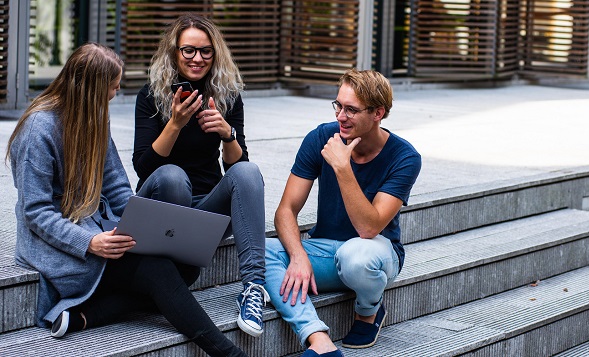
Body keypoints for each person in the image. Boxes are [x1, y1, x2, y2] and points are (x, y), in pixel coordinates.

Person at [6, 43, 247, 356]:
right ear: (92, 88)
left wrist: (141, 225)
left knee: (186, 268)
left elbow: (117, 187)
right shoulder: (38, 130)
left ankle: (89, 315)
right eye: (113, 86)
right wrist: (89, 243)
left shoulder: (94, 118)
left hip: (98, 229)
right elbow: (36, 213)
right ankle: (228, 353)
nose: (116, 93)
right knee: (158, 271)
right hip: (57, 245)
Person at [264, 69, 422, 357]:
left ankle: (368, 311)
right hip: (326, 249)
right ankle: (318, 339)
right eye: (338, 105)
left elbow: (369, 229)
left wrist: (342, 167)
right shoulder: (322, 136)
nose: (341, 116)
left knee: (356, 256)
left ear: (378, 113)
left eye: (351, 109)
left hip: (376, 254)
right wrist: (298, 257)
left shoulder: (405, 158)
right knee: (262, 249)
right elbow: (285, 210)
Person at [133, 14, 269, 337]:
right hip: (162, 204)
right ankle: (170, 274)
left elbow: (238, 169)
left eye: (206, 51)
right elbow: (143, 167)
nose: (197, 59)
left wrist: (227, 134)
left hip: (204, 212)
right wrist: (175, 123)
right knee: (173, 177)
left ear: (216, 53)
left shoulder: (227, 95)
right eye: (189, 51)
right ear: (174, 52)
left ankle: (253, 289)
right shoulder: (151, 95)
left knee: (248, 173)